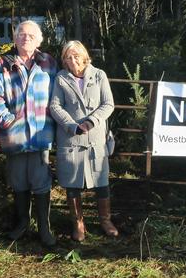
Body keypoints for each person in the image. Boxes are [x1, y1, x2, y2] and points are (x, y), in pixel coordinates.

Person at [0, 20, 57, 247]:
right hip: (14, 135)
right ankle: (22, 223)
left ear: (39, 40)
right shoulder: (2, 64)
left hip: (41, 134)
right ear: (15, 38)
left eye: (31, 35)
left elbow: (58, 93)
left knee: (41, 181)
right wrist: (8, 121)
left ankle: (44, 227)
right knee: (18, 181)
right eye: (21, 34)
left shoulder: (48, 62)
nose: (26, 37)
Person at [49, 41, 118, 241]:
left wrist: (90, 122)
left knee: (101, 182)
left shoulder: (99, 75)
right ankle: (78, 223)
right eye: (68, 57)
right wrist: (71, 125)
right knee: (72, 184)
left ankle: (105, 220)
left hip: (95, 137)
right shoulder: (61, 78)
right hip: (71, 138)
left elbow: (108, 104)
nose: (72, 60)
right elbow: (55, 106)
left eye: (76, 55)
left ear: (84, 55)